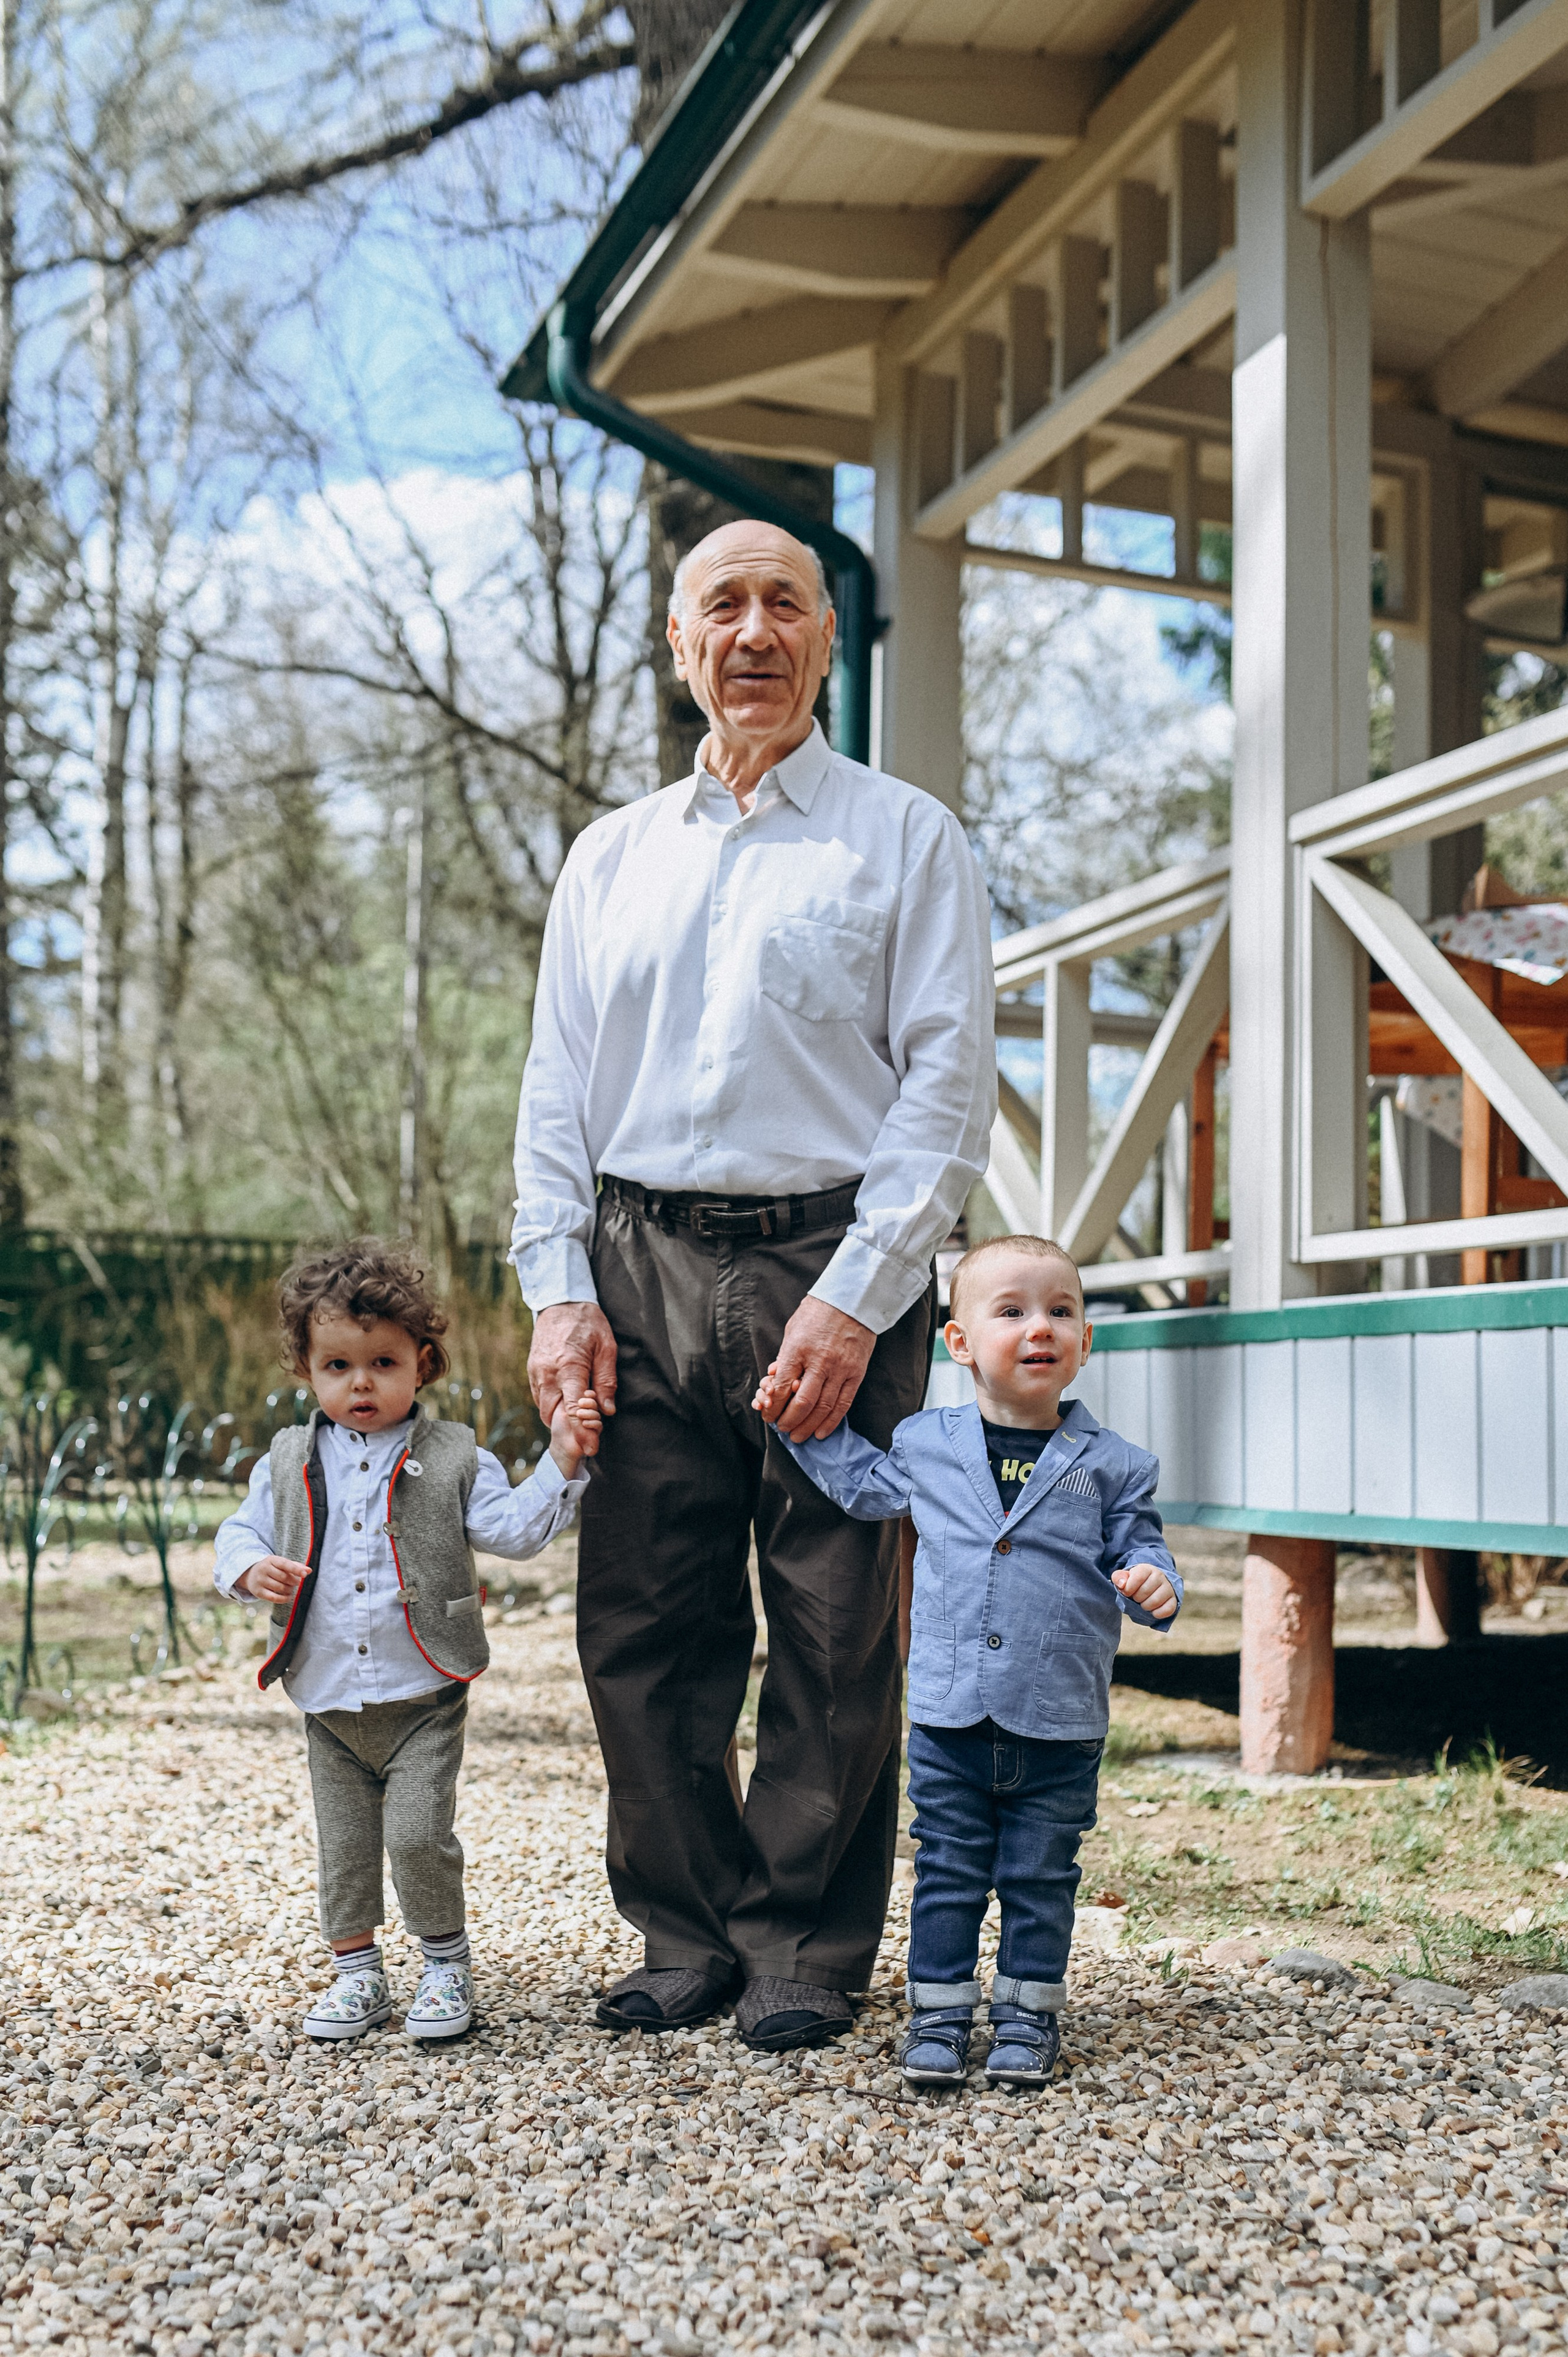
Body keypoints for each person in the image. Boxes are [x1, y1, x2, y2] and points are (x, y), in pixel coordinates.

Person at [512, 519, 995, 2051]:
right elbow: (554, 1095)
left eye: (784, 603)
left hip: (830, 1257)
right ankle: (683, 1929)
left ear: (824, 642)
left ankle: (799, 1940)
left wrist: (859, 1295)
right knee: (641, 1617)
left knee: (836, 1618)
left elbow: (946, 1089)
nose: (753, 630)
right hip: (637, 1260)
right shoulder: (609, 856)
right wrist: (553, 1286)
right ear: (679, 645)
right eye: (720, 605)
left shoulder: (904, 836)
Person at [755, 1233, 1181, 2087]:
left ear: (1085, 1343)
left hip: (1058, 1718)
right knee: (948, 1871)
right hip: (951, 1713)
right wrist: (795, 1422)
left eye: (1062, 1312)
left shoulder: (1114, 1466)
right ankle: (939, 2015)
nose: (1041, 1327)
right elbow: (863, 1485)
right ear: (959, 1343)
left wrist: (1152, 1583)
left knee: (1039, 1877)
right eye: (1013, 1311)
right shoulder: (928, 1443)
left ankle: (1028, 2017)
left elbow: (1142, 1547)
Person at [214, 1239, 601, 2042]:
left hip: (423, 1694)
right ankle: (358, 1977)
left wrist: (563, 1459)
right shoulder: (288, 1459)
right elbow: (238, 1532)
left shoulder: (453, 1454)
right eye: (338, 1367)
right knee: (346, 1848)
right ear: (307, 1369)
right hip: (326, 1698)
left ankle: (445, 1965)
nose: (361, 1383)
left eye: (383, 1362)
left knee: (420, 1836)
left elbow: (514, 1531)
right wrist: (249, 1568)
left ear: (422, 1364)